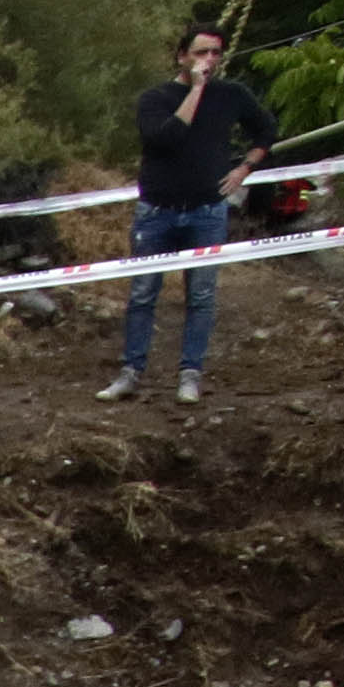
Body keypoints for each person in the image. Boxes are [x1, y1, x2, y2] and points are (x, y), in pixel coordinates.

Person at [103, 20, 276, 405]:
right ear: (182, 56)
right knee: (143, 293)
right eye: (201, 52)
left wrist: (245, 168)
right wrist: (196, 90)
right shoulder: (156, 98)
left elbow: (266, 130)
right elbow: (165, 138)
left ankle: (190, 374)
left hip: (206, 211)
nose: (208, 60)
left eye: (215, 53)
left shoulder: (232, 95)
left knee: (201, 295)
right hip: (157, 212)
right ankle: (131, 372)